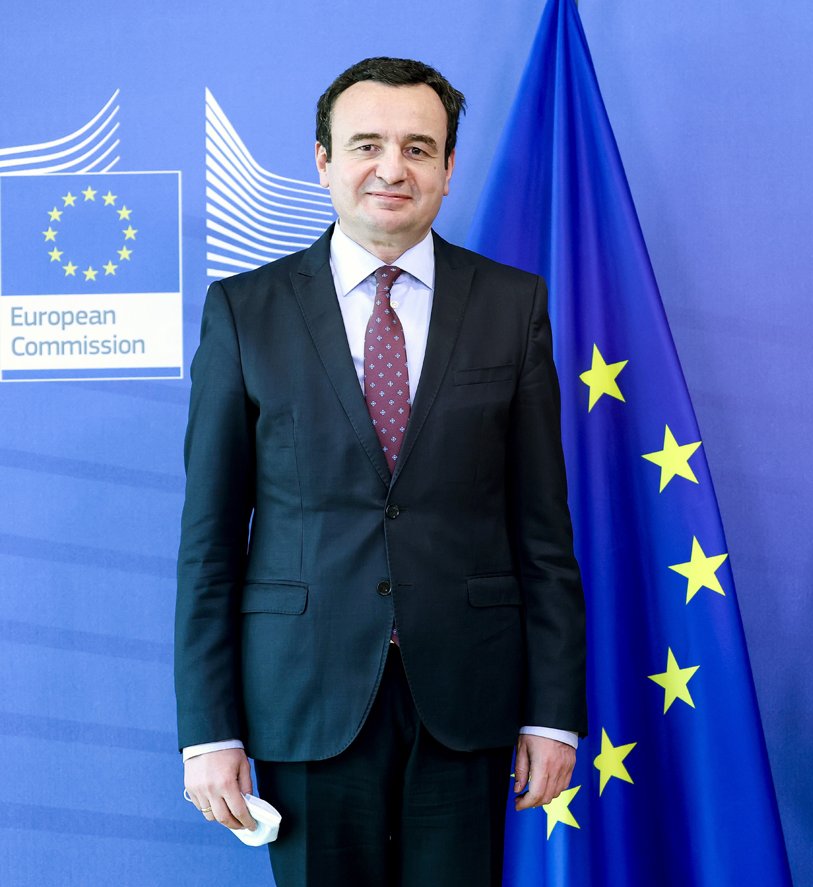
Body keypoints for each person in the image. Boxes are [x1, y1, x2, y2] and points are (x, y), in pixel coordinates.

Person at [175, 57, 586, 886]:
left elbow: (542, 532)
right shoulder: (245, 311)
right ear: (323, 160)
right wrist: (208, 730)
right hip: (303, 697)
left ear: (448, 167)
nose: (392, 168)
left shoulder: (513, 307)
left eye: (418, 148)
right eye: (367, 145)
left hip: (467, 698)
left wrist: (554, 715)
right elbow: (210, 543)